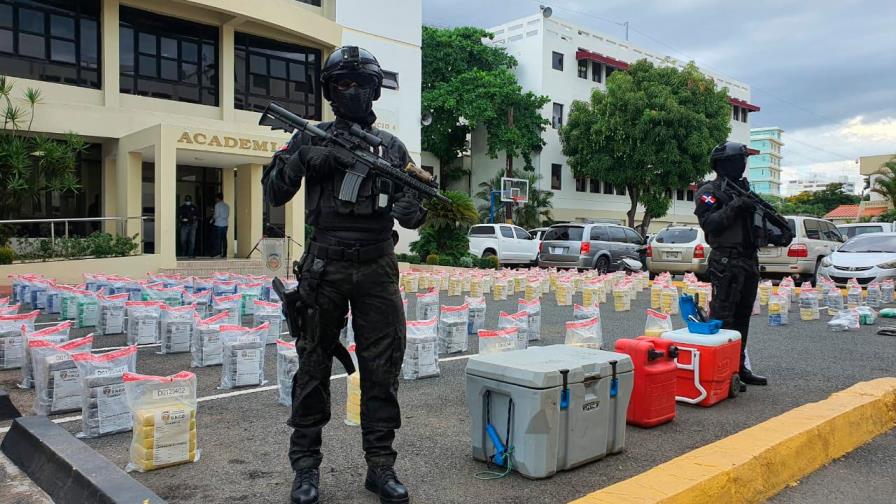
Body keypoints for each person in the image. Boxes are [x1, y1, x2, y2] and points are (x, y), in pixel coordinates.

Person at [262, 46, 426, 504]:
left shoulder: (390, 147)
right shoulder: (309, 136)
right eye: (342, 85)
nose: (351, 92)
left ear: (374, 89)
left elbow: (413, 213)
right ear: (330, 92)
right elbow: (274, 190)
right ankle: (306, 470)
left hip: (376, 266)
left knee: (381, 369)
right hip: (324, 264)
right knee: (312, 366)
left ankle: (381, 466)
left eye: (359, 84)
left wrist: (412, 206)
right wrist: (304, 160)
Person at [694, 141, 767, 387]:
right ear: (724, 163)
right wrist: (735, 207)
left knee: (743, 316)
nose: (742, 164)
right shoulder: (710, 191)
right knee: (723, 316)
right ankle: (720, 373)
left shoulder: (742, 189)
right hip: (726, 260)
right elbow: (710, 224)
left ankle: (738, 367)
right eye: (738, 160)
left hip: (748, 258)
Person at [211, 192, 229, 257]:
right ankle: (224, 253)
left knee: (217, 239)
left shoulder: (217, 205)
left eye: (216, 198)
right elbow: (227, 215)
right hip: (225, 224)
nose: (215, 200)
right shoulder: (227, 205)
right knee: (224, 239)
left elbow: (216, 215)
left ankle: (217, 253)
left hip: (218, 224)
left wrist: (211, 219)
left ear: (218, 198)